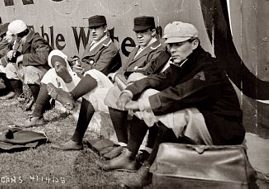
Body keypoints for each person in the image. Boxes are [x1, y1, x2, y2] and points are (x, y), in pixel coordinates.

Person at [95, 21, 246, 187]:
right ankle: (130, 156)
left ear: (194, 43)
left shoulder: (208, 68)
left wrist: (141, 105)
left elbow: (180, 94)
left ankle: (147, 171)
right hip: (202, 120)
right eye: (170, 45)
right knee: (147, 95)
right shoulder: (184, 61)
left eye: (178, 44)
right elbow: (159, 79)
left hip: (222, 129)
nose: (172, 49)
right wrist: (130, 92)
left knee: (171, 114)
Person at [46, 17, 169, 152]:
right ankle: (76, 140)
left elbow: (145, 74)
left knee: (94, 73)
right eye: (137, 32)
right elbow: (123, 70)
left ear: (153, 32)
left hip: (136, 92)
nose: (139, 35)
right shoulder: (137, 48)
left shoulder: (159, 50)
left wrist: (117, 75)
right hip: (121, 87)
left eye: (143, 32)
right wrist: (118, 75)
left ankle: (71, 96)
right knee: (92, 94)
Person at [19, 15, 122, 127]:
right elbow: (85, 63)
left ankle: (68, 89)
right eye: (91, 29)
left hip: (94, 84)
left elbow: (98, 70)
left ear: (105, 28)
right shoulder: (91, 43)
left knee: (87, 72)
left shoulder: (110, 48)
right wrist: (74, 63)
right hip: (82, 77)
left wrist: (80, 67)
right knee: (53, 67)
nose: (93, 31)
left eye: (97, 28)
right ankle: (36, 116)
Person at [3, 19, 52, 107]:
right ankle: (21, 97)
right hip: (35, 69)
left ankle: (40, 105)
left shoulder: (37, 40)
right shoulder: (22, 41)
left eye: (15, 37)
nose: (16, 40)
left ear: (18, 35)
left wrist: (24, 57)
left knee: (30, 71)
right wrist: (14, 54)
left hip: (46, 72)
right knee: (10, 67)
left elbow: (43, 58)